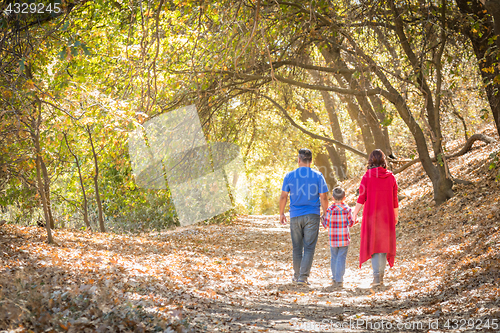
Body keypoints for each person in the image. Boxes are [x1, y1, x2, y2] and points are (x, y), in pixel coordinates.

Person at [279, 148, 329, 285]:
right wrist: (326, 214)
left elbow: (284, 195)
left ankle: (296, 276)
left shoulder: (289, 175)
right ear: (311, 161)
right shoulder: (318, 175)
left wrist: (281, 213)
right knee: (309, 247)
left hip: (295, 216)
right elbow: (323, 197)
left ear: (299, 160)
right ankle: (303, 277)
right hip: (312, 215)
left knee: (297, 247)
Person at [352, 149, 399, 287]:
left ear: (371, 160)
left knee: (373, 245)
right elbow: (395, 199)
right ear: (383, 160)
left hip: (371, 215)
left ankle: (376, 277)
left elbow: (361, 197)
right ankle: (380, 277)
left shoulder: (367, 176)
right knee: (383, 246)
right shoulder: (391, 177)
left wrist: (354, 214)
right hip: (387, 216)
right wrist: (396, 215)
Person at [322, 187, 356, 289]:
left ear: (332, 198)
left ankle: (334, 278)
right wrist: (355, 220)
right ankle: (339, 279)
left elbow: (326, 224)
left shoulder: (329, 210)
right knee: (341, 258)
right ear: (344, 198)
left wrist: (322, 219)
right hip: (344, 238)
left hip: (333, 238)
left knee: (334, 257)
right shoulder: (347, 209)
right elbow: (350, 223)